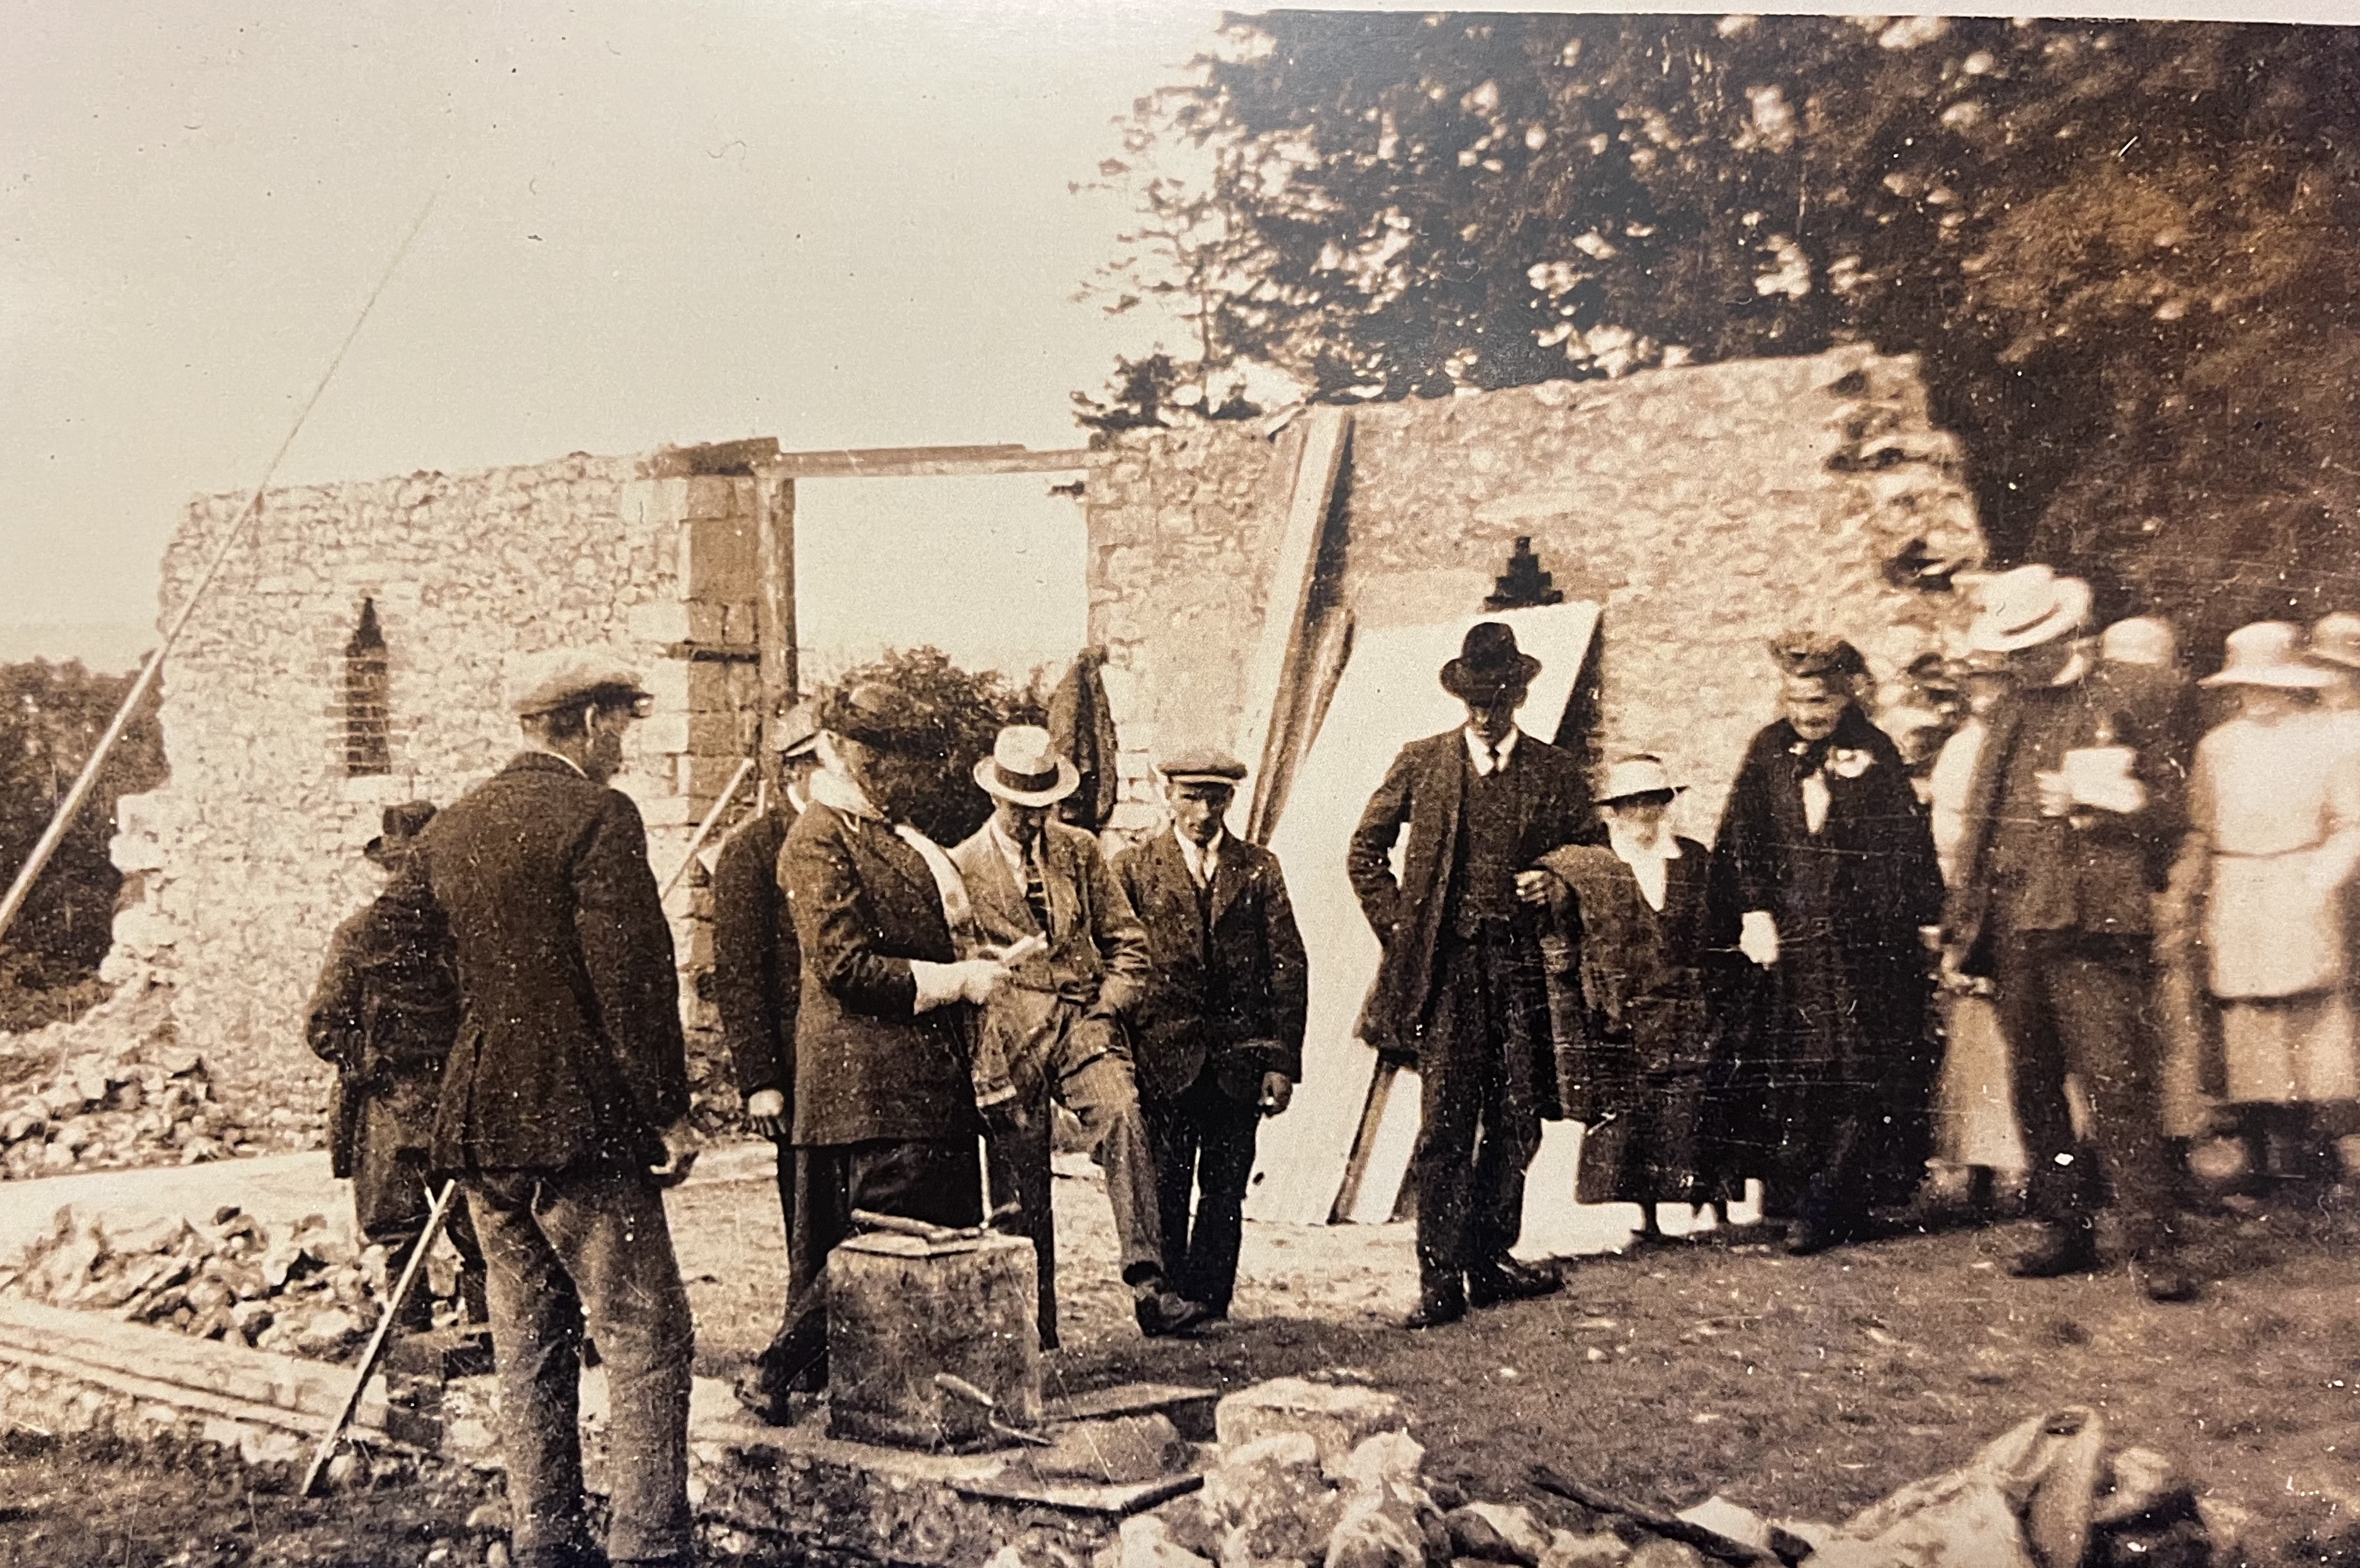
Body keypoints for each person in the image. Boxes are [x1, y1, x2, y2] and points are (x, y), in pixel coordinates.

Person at [392, 651, 698, 1568]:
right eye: (621, 723)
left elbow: (396, 957)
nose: (624, 744)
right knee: (645, 1335)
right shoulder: (600, 816)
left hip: (483, 1125)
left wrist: (460, 1063)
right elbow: (634, 983)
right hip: (580, 1126)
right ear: (590, 722)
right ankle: (649, 1550)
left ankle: (547, 1545)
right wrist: (668, 1113)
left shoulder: (452, 826)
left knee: (527, 1346)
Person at [736, 681, 1011, 1419]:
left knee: (911, 1247)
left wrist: (978, 957)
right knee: (883, 1244)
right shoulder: (819, 837)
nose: (915, 776)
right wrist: (957, 981)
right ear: (856, 754)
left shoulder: (886, 832)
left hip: (915, 1083)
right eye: (900, 759)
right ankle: (774, 1370)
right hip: (871, 1085)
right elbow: (843, 964)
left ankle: (893, 1399)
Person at [1943, 565, 2200, 1302]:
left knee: (2118, 1082)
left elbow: (2173, 809)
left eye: (2033, 646)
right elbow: (1979, 828)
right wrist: (1968, 928)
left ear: (2066, 635)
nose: (2020, 661)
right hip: (2019, 923)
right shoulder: (2009, 714)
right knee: (2035, 1084)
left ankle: (2154, 1244)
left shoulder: (2130, 694)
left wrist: (2097, 807)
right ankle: (2066, 1227)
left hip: (2095, 925)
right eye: (2013, 650)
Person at [1347, 622, 1589, 1329]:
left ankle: (1490, 1256)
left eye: (1501, 696)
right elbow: (1365, 849)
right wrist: (1405, 929)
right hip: (1448, 970)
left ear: (1520, 694)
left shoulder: (1553, 771)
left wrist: (1557, 882)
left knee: (1518, 1117)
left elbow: (1591, 854)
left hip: (1522, 969)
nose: (1488, 712)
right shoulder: (1423, 762)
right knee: (1445, 1122)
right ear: (1463, 697)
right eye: (1478, 698)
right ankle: (1439, 1276)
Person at [951, 725, 1208, 1346]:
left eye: (1043, 807)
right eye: (1020, 808)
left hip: (1082, 1025)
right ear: (996, 798)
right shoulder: (962, 866)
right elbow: (962, 967)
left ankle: (1150, 1285)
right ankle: (1033, 1326)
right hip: (1010, 1037)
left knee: (1124, 1114)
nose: (1031, 821)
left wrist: (1107, 1007)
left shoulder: (1081, 851)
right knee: (1021, 1177)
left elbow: (1129, 943)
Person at [1707, 632, 1945, 1254]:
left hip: (1863, 942)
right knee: (1796, 1067)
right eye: (1796, 700)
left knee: (1859, 1068)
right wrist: (1754, 908)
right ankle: (1791, 1198)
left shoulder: (1876, 752)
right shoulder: (1767, 749)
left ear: (1845, 696)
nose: (1807, 714)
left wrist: (1912, 919)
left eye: (1820, 702)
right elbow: (1742, 835)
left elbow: (1904, 846)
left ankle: (1835, 1203)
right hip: (1792, 941)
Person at [1114, 746, 1308, 1322]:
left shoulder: (1259, 868)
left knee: (1225, 1190)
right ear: (1167, 796)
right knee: (1166, 1186)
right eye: (1190, 796)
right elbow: (1118, 963)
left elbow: (1288, 967)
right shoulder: (1133, 868)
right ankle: (1166, 1301)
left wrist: (1280, 1062)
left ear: (1231, 799)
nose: (1202, 811)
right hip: (1163, 1059)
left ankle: (1211, 1301)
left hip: (1237, 1063)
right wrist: (1123, 1058)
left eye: (1215, 797)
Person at [2171, 622, 2360, 1202]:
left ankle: (2312, 1151)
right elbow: (2201, 824)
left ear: (2293, 684)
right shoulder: (2218, 746)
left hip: (2299, 879)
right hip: (2237, 883)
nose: (2257, 697)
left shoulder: (2330, 739)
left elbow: (2352, 822)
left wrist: (2317, 877)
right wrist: (2192, 887)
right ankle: (2256, 1153)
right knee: (2246, 1017)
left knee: (2310, 1015)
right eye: (2247, 686)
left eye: (2269, 685)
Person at [305, 799, 487, 1335]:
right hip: (394, 1100)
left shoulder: (461, 933)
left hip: (449, 1099)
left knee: (477, 1228)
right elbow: (325, 1027)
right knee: (400, 1233)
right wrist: (374, 1068)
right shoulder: (362, 936)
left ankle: (486, 1343)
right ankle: (411, 1355)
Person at [1532, 755, 1727, 1243]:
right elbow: (1560, 928)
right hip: (1624, 1009)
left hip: (1687, 1005)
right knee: (1636, 1112)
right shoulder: (1591, 865)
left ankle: (1703, 1211)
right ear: (1613, 810)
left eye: (1654, 800)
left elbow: (1717, 929)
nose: (1644, 811)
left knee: (1690, 1108)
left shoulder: (1694, 858)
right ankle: (1647, 1218)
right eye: (1632, 802)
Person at [709, 700, 824, 1252]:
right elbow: (739, 975)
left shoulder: (865, 838)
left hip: (858, 1063)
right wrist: (760, 1082)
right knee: (808, 1212)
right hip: (795, 1059)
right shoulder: (752, 851)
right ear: (795, 771)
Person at [1925, 658, 2029, 1220]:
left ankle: (2042, 1166)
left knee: (2031, 1035)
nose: (1987, 698)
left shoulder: (2035, 740)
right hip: (1973, 897)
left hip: (2024, 894)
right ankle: (1981, 1170)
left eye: (1998, 686)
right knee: (1976, 1038)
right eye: (1978, 688)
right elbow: (1947, 834)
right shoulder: (1963, 750)